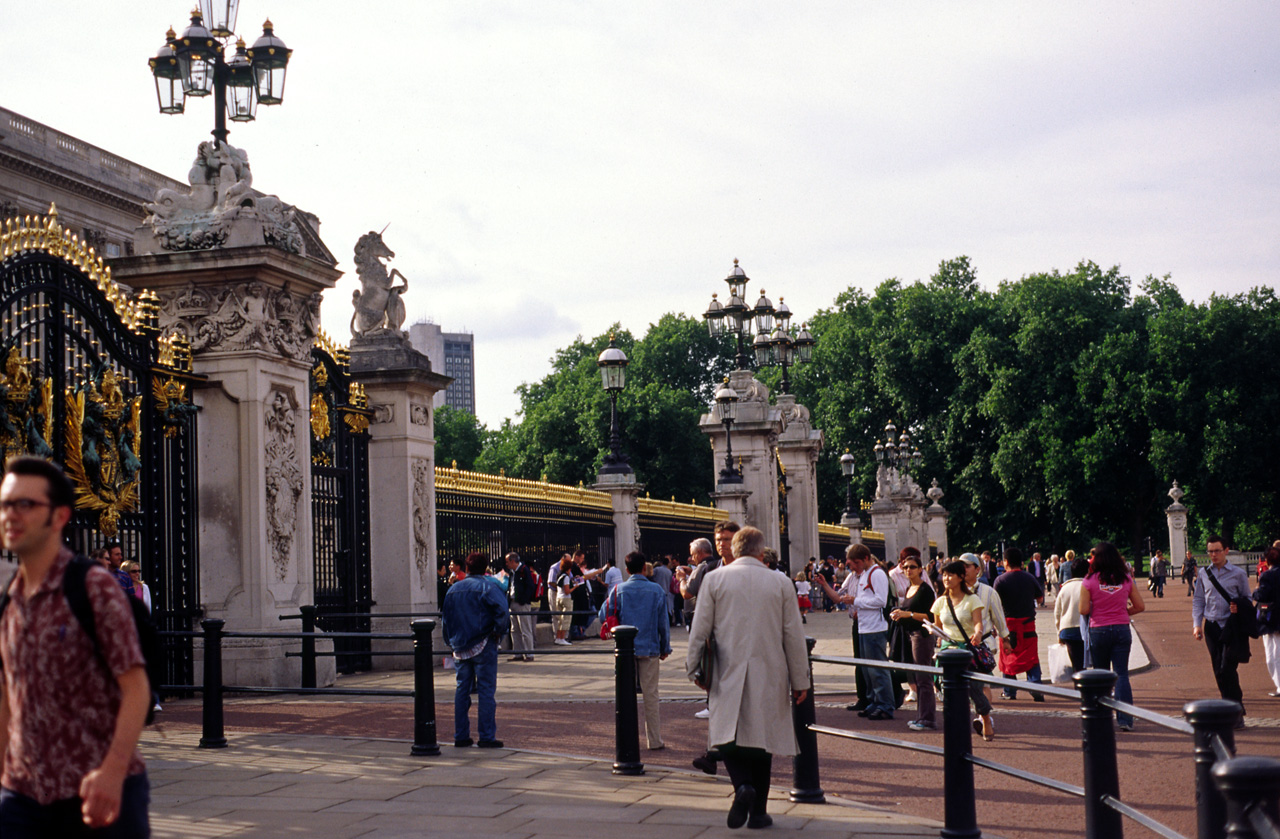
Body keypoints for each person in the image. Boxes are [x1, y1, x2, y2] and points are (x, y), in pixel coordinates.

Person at [0, 456, 151, 835]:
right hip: (23, 795)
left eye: (26, 505)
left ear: (60, 516)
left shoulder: (93, 588)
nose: (11, 515)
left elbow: (136, 689)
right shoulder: (10, 599)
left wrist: (113, 772)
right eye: (5, 504)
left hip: (96, 790)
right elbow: (8, 696)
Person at [685, 526, 809, 830]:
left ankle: (742, 786)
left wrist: (693, 668)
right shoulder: (781, 582)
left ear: (736, 549)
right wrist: (800, 679)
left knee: (724, 733)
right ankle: (759, 814)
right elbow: (793, 635)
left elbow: (699, 629)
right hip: (771, 670)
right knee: (761, 741)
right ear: (759, 550)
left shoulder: (714, 579)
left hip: (727, 668)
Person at [600, 552, 671, 750]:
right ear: (644, 569)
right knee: (651, 695)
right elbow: (663, 623)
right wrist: (665, 646)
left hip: (625, 649)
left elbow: (602, 614)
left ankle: (627, 738)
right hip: (649, 648)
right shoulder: (656, 590)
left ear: (627, 569)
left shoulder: (618, 590)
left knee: (625, 695)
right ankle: (654, 740)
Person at [817, 543, 895, 720]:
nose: (853, 567)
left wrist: (856, 600)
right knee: (868, 670)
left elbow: (881, 601)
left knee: (878, 669)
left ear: (866, 559)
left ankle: (885, 704)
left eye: (856, 563)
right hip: (864, 627)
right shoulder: (863, 574)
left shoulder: (877, 574)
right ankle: (874, 701)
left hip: (875, 627)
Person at [441, 551, 510, 749]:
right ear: (485, 567)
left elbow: (446, 618)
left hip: (460, 645)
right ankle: (486, 736)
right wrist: (498, 632)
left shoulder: (453, 589)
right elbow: (503, 612)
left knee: (462, 690)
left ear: (467, 568)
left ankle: (461, 735)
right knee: (486, 691)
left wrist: (450, 640)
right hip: (483, 642)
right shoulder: (489, 586)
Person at [1079, 542, 1144, 731]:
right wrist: (1123, 613)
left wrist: (1098, 609)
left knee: (1101, 675)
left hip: (1099, 629)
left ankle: (1102, 716)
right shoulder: (1125, 578)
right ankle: (1125, 719)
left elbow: (1083, 609)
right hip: (1121, 628)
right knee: (1122, 674)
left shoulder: (1089, 580)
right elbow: (1140, 606)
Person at [930, 559, 995, 741]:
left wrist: (978, 634)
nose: (946, 578)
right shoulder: (941, 601)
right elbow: (938, 626)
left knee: (974, 689)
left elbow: (978, 623)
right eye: (944, 575)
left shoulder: (972, 599)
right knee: (944, 687)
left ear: (960, 577)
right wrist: (932, 630)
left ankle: (986, 718)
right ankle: (956, 723)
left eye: (950, 574)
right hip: (947, 649)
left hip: (967, 649)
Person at [1192, 535, 1252, 724]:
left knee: (1228, 668)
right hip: (1211, 626)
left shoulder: (1238, 574)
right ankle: (1231, 710)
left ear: (1226, 550)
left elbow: (1248, 600)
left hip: (1231, 627)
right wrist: (1196, 624)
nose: (1213, 555)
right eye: (1210, 551)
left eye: (1217, 550)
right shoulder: (1203, 573)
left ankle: (1235, 710)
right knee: (1218, 670)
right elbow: (1199, 600)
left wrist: (1238, 607)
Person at [889, 553, 937, 730]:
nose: (908, 570)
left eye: (912, 567)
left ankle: (928, 718)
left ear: (920, 570)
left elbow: (931, 616)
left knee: (923, 677)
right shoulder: (910, 588)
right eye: (905, 567)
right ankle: (920, 716)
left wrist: (907, 614)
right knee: (916, 676)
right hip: (908, 634)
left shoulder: (925, 590)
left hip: (921, 635)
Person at [993, 548, 1045, 701]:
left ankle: (1009, 691)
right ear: (1021, 562)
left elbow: (996, 605)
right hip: (1028, 623)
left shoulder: (1000, 581)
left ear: (1006, 562)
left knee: (1008, 657)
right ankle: (1036, 686)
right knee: (1031, 657)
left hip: (1008, 625)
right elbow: (1040, 598)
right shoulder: (1029, 578)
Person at [960, 552, 1009, 709]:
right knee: (962, 686)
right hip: (959, 645)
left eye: (967, 566)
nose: (963, 570)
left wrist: (1005, 639)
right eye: (960, 567)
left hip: (982, 645)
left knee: (983, 684)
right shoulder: (953, 592)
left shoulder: (988, 592)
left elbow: (999, 618)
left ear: (977, 569)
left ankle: (985, 718)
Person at [1053, 554, 1090, 673]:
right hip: (1086, 629)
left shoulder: (1065, 588)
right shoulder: (1088, 586)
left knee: (1076, 664)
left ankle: (1078, 688)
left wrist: (1059, 632)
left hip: (1067, 629)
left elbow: (1057, 613)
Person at [1252, 547, 1280, 697]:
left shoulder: (1268, 575)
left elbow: (1261, 594)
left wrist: (1254, 592)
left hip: (1272, 619)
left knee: (1272, 655)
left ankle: (1279, 685)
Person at [504, 552, 536, 662]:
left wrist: (523, 599)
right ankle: (517, 653)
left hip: (521, 603)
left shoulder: (523, 570)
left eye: (507, 562)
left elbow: (530, 586)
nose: (506, 564)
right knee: (515, 629)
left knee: (525, 628)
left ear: (513, 561)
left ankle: (529, 653)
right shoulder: (512, 572)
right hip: (513, 601)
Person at [550, 553, 577, 646]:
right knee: (566, 619)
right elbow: (567, 591)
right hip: (566, 599)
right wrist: (575, 587)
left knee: (560, 619)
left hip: (559, 598)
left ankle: (558, 637)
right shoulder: (566, 577)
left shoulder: (559, 575)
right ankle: (562, 637)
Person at [651, 556, 674, 626]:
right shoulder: (669, 572)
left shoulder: (657, 569)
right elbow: (670, 582)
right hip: (666, 592)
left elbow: (651, 576)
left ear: (661, 562)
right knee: (666, 609)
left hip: (657, 591)